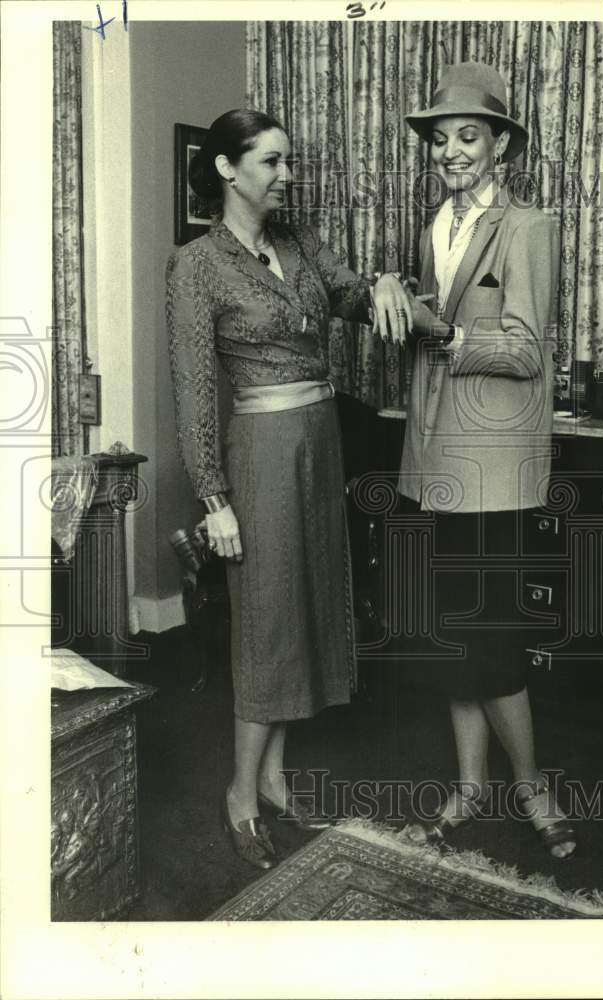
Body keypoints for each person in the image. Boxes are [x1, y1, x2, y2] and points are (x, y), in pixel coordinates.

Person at [166, 109, 410, 869]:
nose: (287, 176)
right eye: (272, 162)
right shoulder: (196, 266)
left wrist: (386, 285)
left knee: (303, 610)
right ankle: (240, 792)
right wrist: (215, 499)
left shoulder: (298, 243)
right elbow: (194, 388)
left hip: (318, 446)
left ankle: (274, 778)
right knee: (267, 622)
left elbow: (348, 294)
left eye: (289, 162)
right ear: (227, 171)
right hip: (261, 455)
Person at [398, 62, 576, 858]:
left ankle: (533, 786)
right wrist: (397, 305)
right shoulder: (434, 226)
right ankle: (471, 789)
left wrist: (444, 334)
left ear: (500, 144)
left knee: (493, 643)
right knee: (451, 639)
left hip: (494, 469)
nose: (451, 152)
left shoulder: (529, 227)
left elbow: (529, 352)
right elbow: (434, 324)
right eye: (440, 140)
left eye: (467, 136)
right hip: (434, 457)